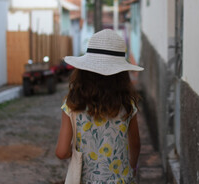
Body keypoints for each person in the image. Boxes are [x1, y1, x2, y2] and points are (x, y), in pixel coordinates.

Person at [55, 29, 144, 183]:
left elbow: (61, 152)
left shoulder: (72, 105)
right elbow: (135, 144)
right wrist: (133, 168)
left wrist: (78, 151)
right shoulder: (127, 104)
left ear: (84, 70)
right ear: (121, 73)